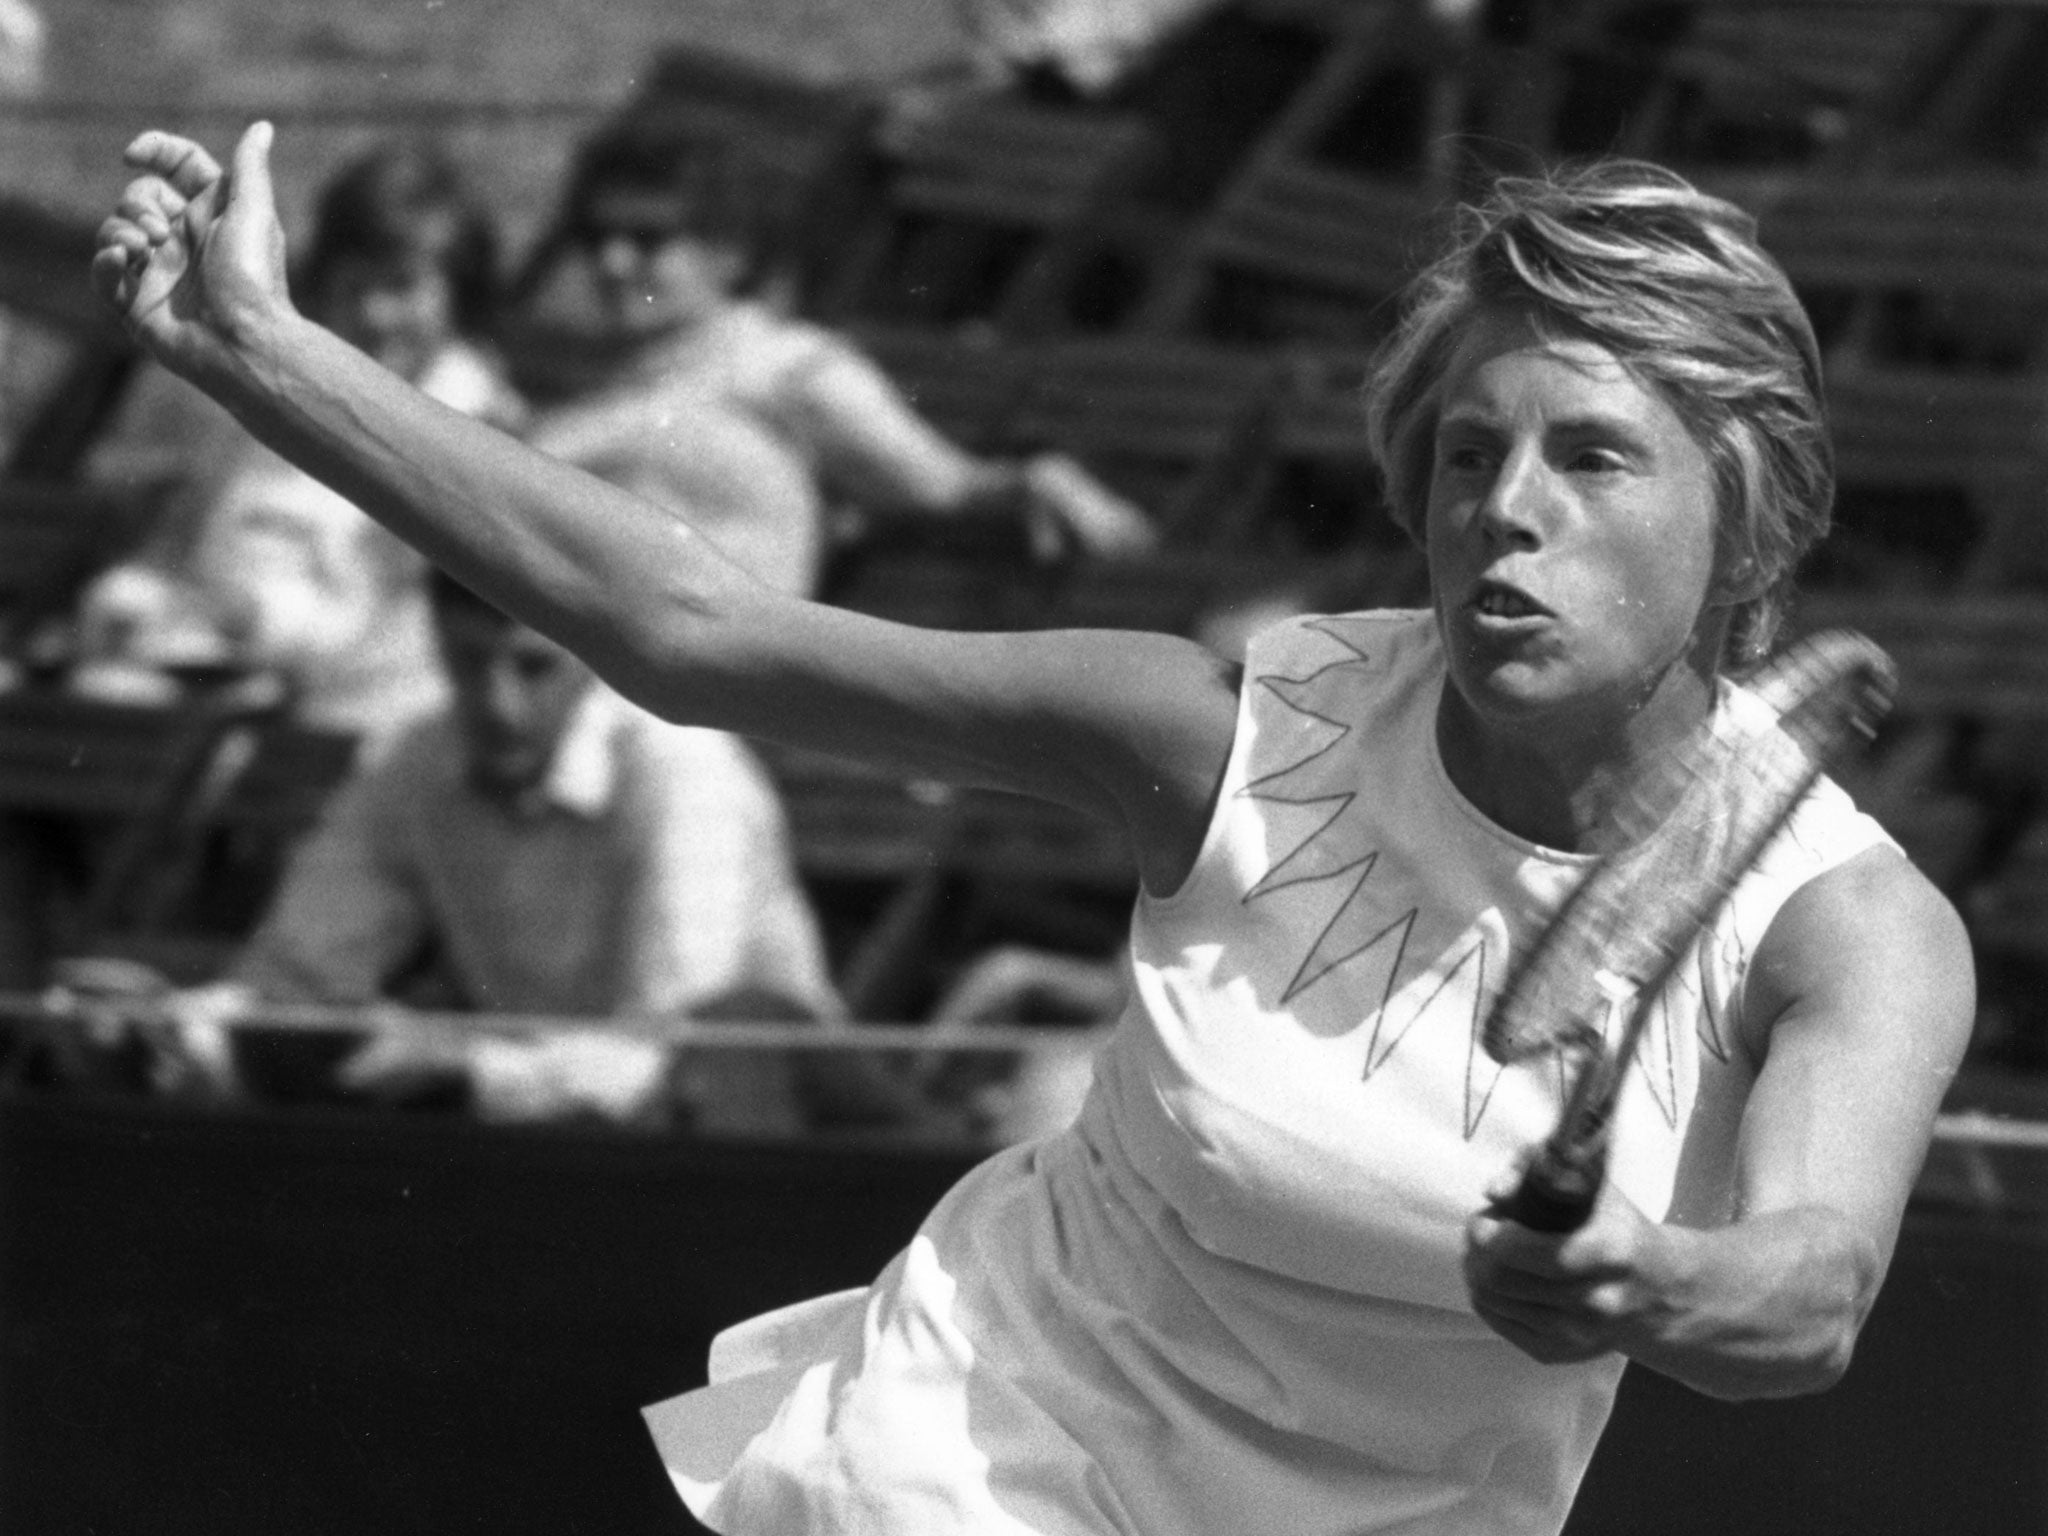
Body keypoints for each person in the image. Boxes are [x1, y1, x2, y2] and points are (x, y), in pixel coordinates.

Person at [95, 125, 1974, 1534]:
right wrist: (251, 345)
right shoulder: (1215, 733)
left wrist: (1649, 1276)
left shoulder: (1837, 925)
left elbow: (1806, 1293)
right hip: (982, 1447)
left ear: (1744, 508)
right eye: (1466, 453)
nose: (1501, 508)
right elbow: (692, 630)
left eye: (1588, 453)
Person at [162, 566, 844, 1131]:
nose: (499, 705)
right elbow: (295, 981)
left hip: (750, 1136)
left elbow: (670, 1059)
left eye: (534, 667)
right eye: (467, 663)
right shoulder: (415, 760)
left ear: (593, 657)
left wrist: (462, 1066)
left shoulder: (684, 771)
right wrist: (181, 1034)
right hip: (544, 1136)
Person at [509, 115, 1157, 599]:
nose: (612, 263)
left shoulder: (783, 365)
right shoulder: (603, 367)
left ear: (729, 249)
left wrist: (1036, 480)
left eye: (648, 239)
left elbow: (939, 485)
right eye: (595, 237)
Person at [74, 139, 525, 752]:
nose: (376, 314)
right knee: (95, 699)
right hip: (211, 660)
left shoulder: (474, 420)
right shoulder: (284, 381)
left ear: (456, 292)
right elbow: (180, 541)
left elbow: (413, 621)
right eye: (355, 287)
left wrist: (268, 634)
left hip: (357, 696)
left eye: (402, 287)